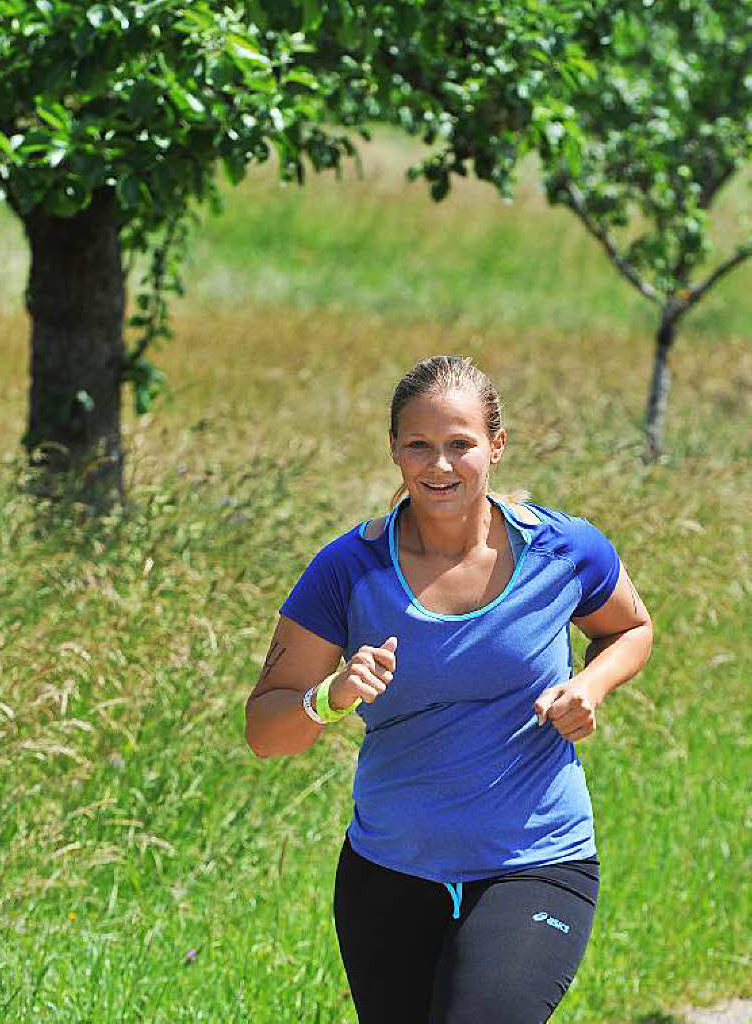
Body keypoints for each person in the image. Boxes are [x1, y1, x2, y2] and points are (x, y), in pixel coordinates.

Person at [245, 355, 653, 1024]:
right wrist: (334, 694)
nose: (439, 466)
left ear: (495, 445)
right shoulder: (347, 570)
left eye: (459, 444)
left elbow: (631, 629)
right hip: (389, 872)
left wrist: (590, 684)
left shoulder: (563, 549)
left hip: (535, 861)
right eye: (420, 446)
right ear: (394, 452)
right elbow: (265, 731)